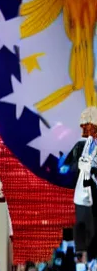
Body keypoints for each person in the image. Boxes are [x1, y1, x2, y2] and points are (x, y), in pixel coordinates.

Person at [60, 107, 97, 260]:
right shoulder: (81, 145)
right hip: (83, 192)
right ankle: (82, 255)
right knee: (82, 224)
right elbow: (64, 167)